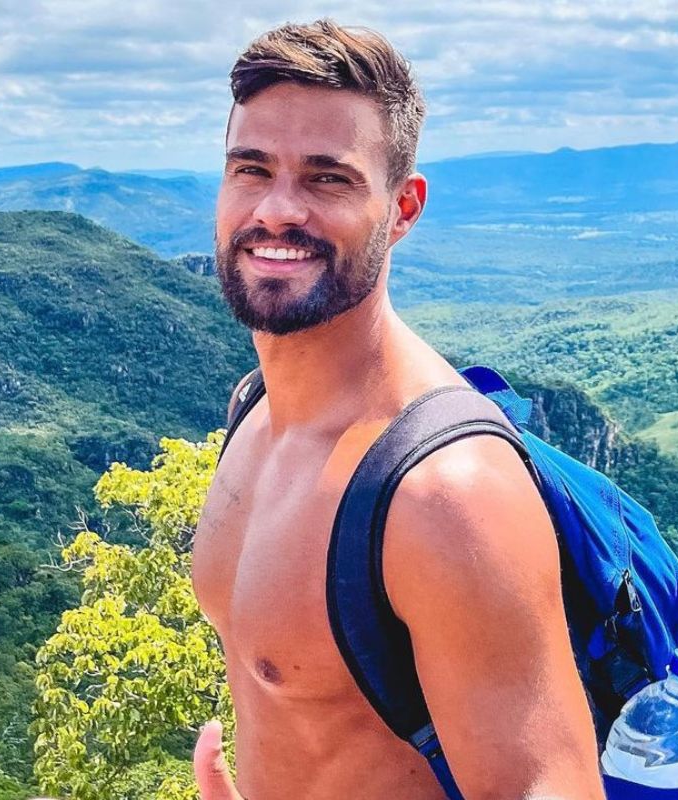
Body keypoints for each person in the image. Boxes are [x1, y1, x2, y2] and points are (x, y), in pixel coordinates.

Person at [190, 19, 604, 800]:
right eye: (251, 169)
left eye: (328, 178)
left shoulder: (445, 494)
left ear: (403, 207)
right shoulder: (255, 413)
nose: (277, 210)